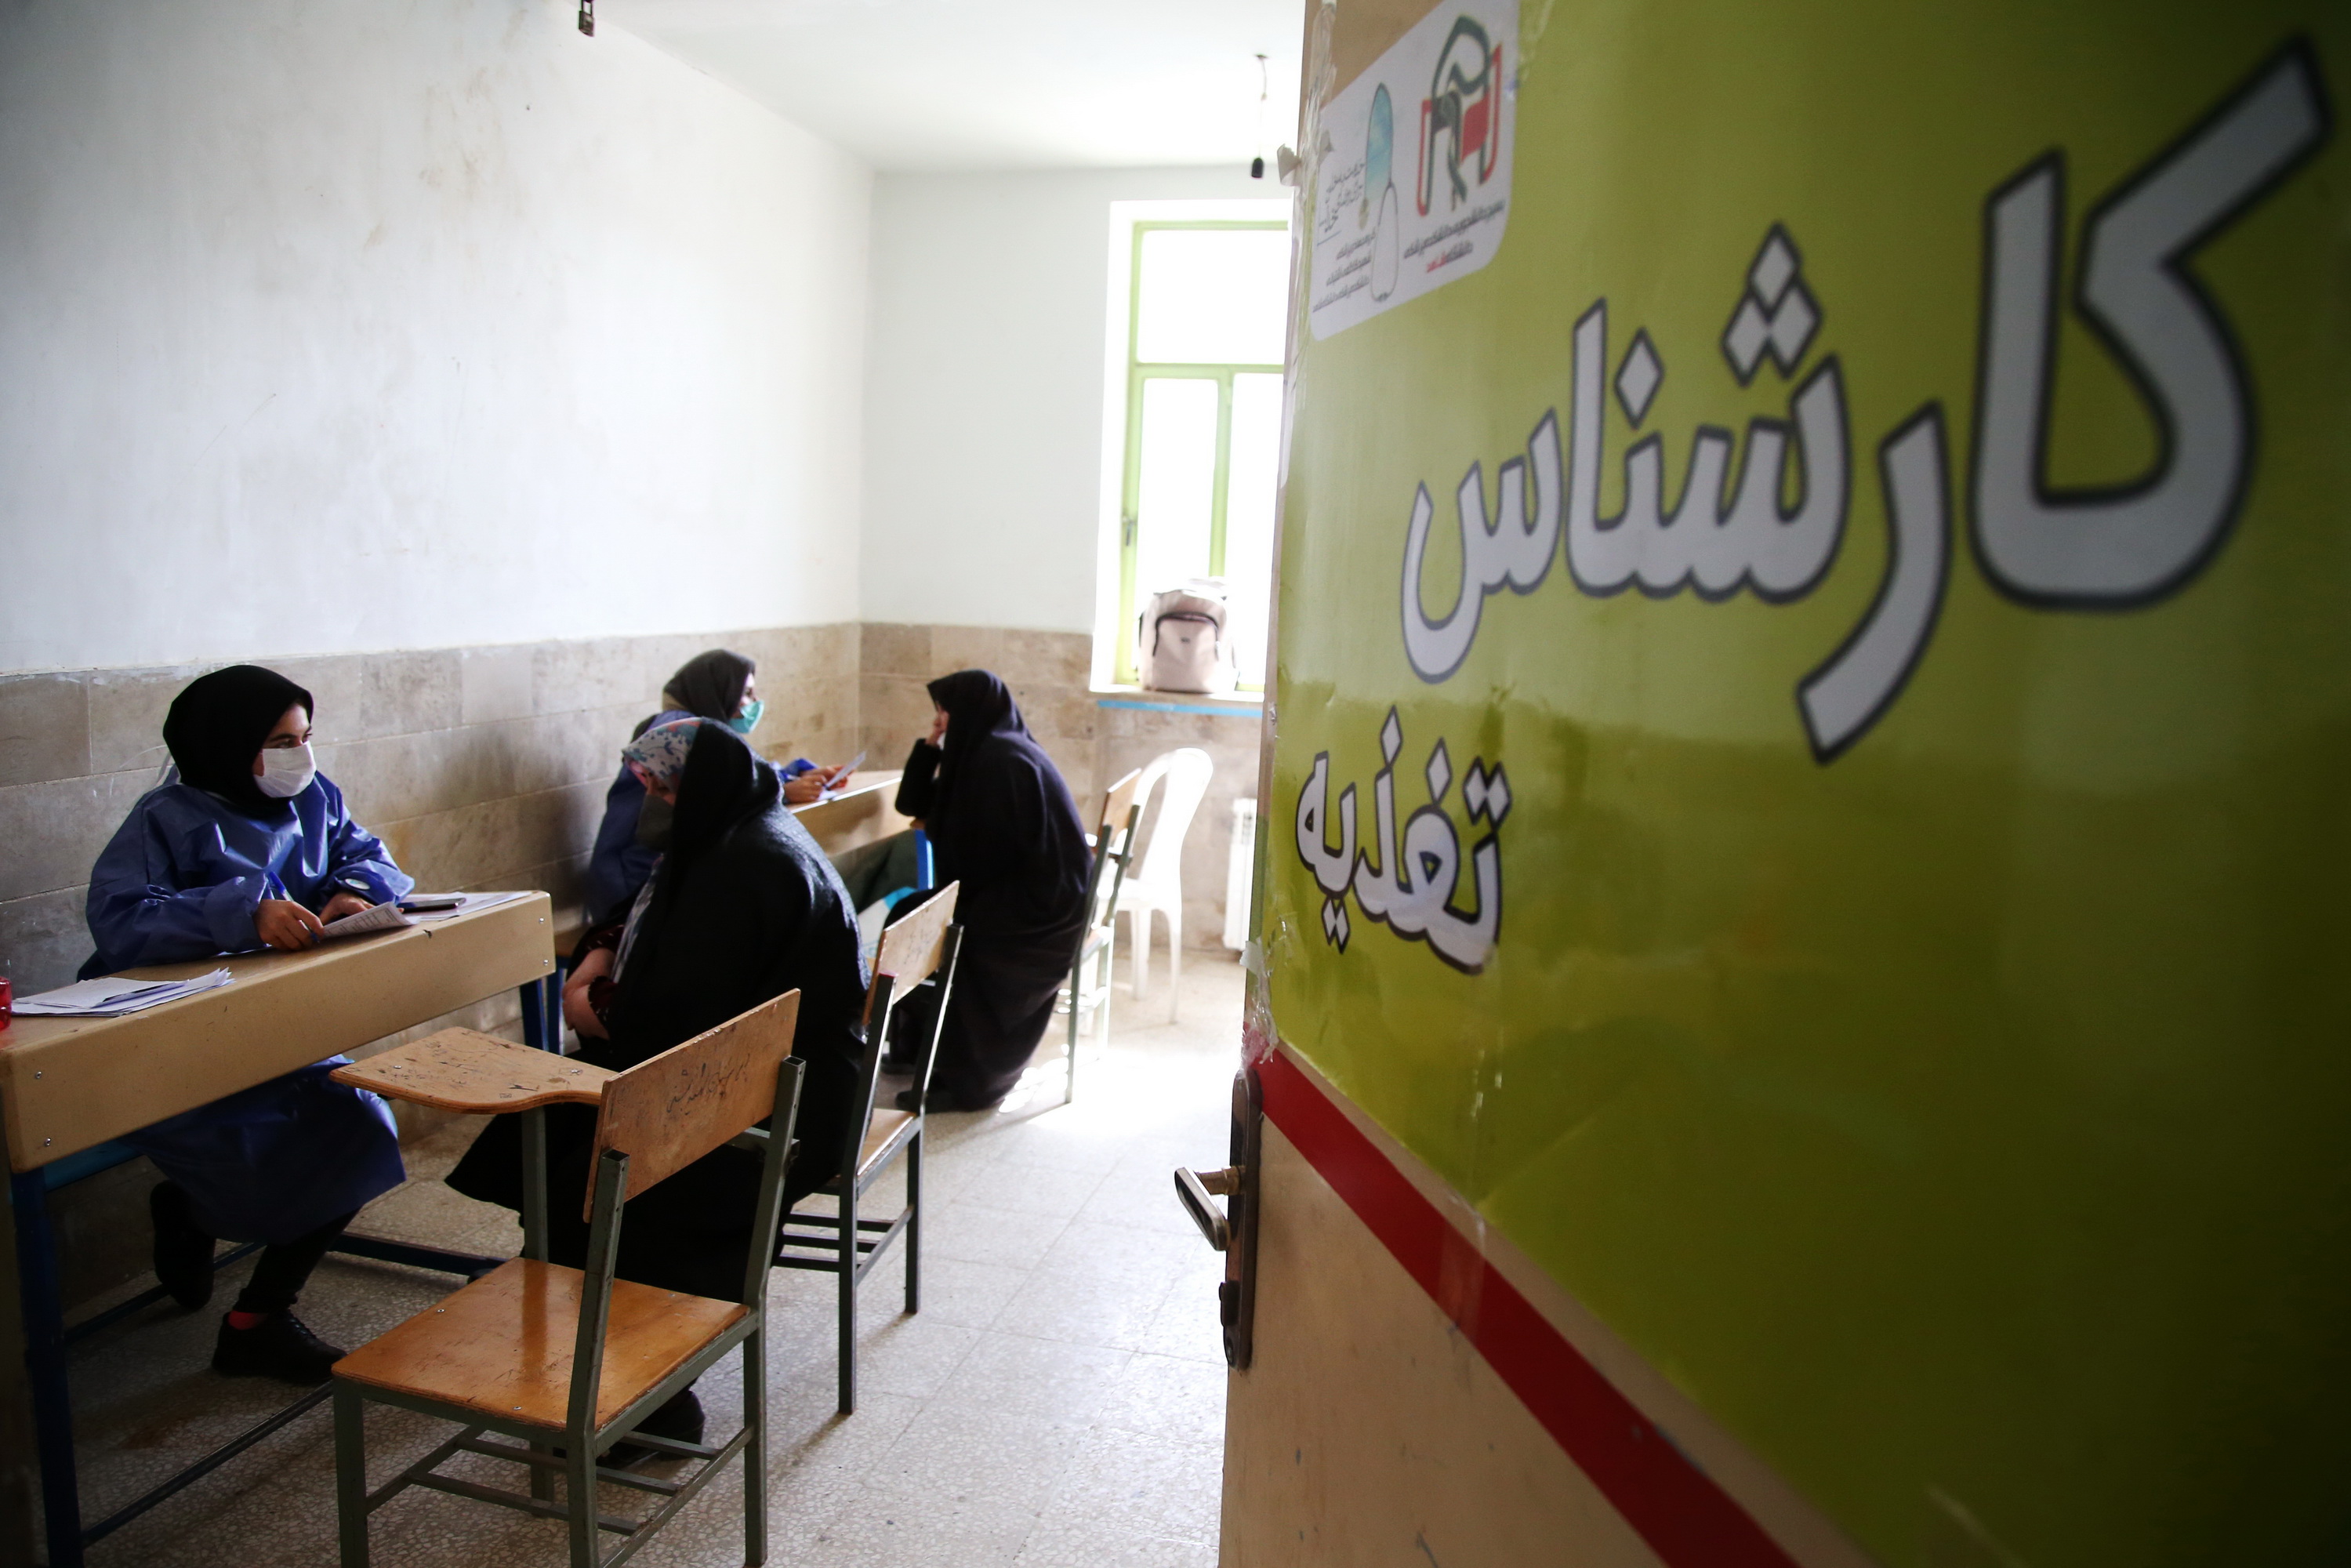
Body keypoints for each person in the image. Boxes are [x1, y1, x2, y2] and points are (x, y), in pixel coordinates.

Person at [449, 718, 868, 1454]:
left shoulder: (741, 868)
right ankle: (580, 1325)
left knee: (572, 1165)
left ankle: (647, 1393)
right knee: (549, 1133)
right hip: (779, 1084)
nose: (654, 804)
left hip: (763, 1113)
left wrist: (591, 1004)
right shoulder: (742, 833)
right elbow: (651, 934)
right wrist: (603, 956)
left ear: (698, 790)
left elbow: (675, 1018)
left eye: (664, 790)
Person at [82, 664, 413, 1384]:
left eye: (305, 737)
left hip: (275, 1028)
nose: (301, 755)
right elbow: (120, 918)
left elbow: (368, 856)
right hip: (171, 1040)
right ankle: (199, 1222)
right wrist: (245, 913)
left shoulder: (314, 797)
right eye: (281, 741)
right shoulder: (166, 817)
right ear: (227, 744)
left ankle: (252, 1313)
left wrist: (351, 892)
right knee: (259, 1143)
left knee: (359, 1122)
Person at [891, 670, 1090, 1112]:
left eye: (945, 712)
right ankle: (919, 1049)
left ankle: (970, 1082)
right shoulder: (982, 751)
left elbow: (982, 859)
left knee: (952, 935)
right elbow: (911, 804)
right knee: (908, 914)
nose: (940, 720)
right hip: (1023, 894)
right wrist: (931, 744)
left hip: (1039, 908)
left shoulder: (1000, 762)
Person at [582, 648, 847, 921]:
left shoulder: (698, 732)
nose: (755, 702)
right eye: (746, 693)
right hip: (634, 882)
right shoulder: (679, 731)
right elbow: (711, 795)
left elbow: (731, 778)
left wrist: (794, 776)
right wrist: (783, 792)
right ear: (715, 692)